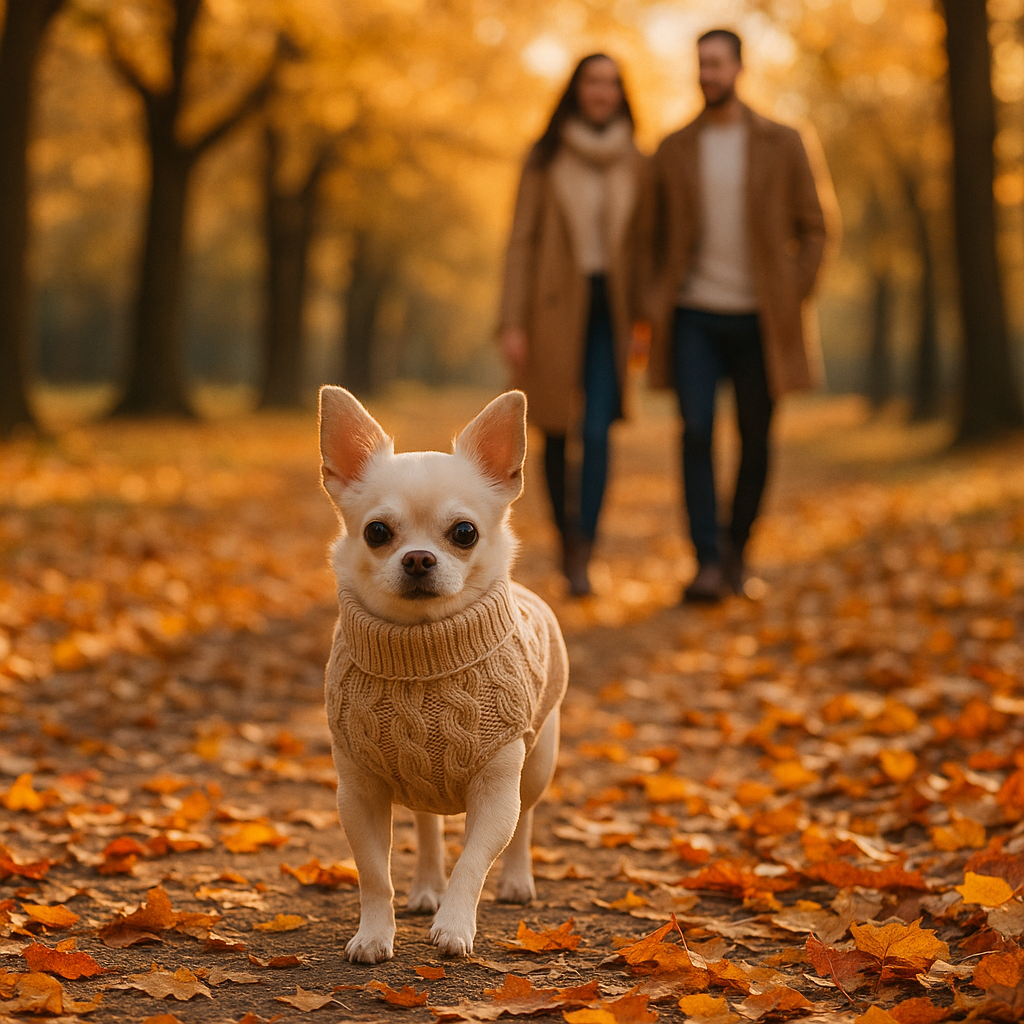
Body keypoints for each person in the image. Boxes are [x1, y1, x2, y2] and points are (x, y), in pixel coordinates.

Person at [637, 28, 837, 603]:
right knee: (696, 432)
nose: (708, 74)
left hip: (761, 323)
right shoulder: (672, 147)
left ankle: (736, 555)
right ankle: (705, 561)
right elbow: (647, 237)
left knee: (756, 439)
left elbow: (818, 228)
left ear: (740, 69)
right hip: (694, 316)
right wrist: (653, 303)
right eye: (701, 64)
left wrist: (791, 293)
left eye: (717, 64)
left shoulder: (785, 141)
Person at [498, 54, 644, 597]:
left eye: (611, 83)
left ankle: (586, 547)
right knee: (555, 429)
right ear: (577, 89)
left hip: (613, 311)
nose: (602, 92)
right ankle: (566, 544)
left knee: (599, 428)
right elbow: (521, 241)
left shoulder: (639, 160)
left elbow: (648, 247)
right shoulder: (543, 157)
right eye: (593, 81)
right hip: (553, 308)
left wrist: (646, 320)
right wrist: (512, 321)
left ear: (621, 93)